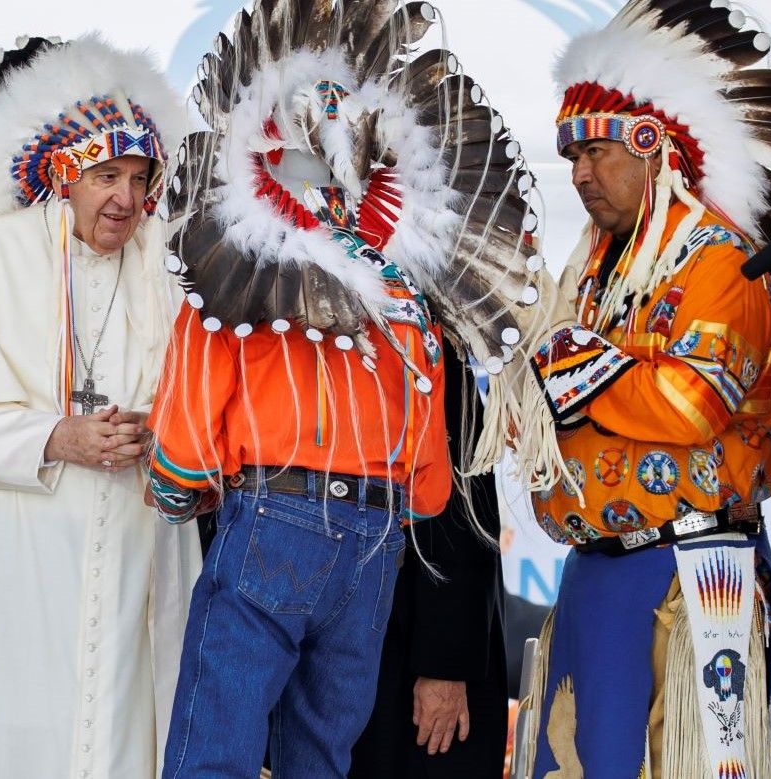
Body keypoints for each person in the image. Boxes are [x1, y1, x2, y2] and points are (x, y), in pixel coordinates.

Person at [145, 5, 550, 776]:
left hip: (274, 517)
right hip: (375, 539)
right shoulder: (399, 287)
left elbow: (188, 424)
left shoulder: (240, 254)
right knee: (322, 754)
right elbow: (433, 475)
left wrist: (174, 486)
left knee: (215, 747)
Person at [517, 1, 771, 775]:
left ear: (652, 147)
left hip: (688, 584)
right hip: (595, 572)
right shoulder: (596, 272)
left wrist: (569, 362)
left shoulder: (723, 264)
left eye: (596, 151)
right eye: (570, 156)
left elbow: (689, 404)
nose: (578, 173)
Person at [0, 35, 202, 777]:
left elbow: (200, 401)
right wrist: (54, 437)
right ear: (61, 173)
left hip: (133, 541)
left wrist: (158, 432)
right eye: (105, 174)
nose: (126, 197)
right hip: (7, 549)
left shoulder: (164, 266)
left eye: (139, 177)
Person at [349, 347, 509, 779]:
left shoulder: (421, 332)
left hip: (414, 658)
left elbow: (464, 516)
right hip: (332, 653)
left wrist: (445, 664)